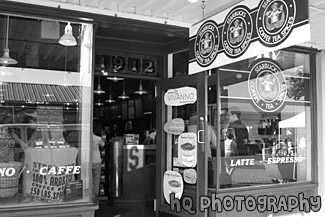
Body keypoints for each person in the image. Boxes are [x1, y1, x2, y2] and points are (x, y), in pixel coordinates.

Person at [92, 119, 105, 199]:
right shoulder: (98, 138)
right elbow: (103, 145)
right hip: (97, 160)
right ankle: (95, 195)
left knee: (89, 179)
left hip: (88, 161)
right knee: (96, 179)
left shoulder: (85, 137)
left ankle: (88, 195)